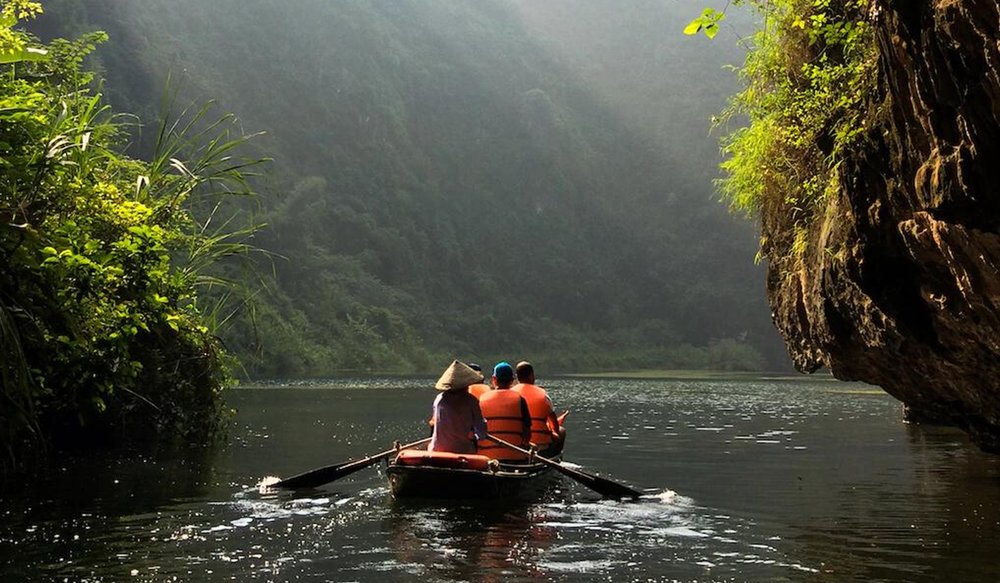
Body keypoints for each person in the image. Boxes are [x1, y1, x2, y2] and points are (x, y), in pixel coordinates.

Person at [429, 360, 489, 454]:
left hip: (436, 449)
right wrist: (476, 435)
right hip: (461, 451)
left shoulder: (438, 399)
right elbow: (481, 433)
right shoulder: (471, 401)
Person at [477, 361, 532, 461]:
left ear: (494, 379)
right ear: (512, 380)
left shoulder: (481, 399)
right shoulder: (520, 399)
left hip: (486, 458)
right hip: (515, 458)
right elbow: (527, 434)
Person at [513, 360, 566, 456]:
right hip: (541, 447)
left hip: (516, 446)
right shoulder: (543, 395)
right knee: (562, 431)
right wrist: (553, 433)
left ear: (517, 377)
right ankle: (554, 460)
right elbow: (555, 426)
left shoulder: (511, 394)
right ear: (532, 376)